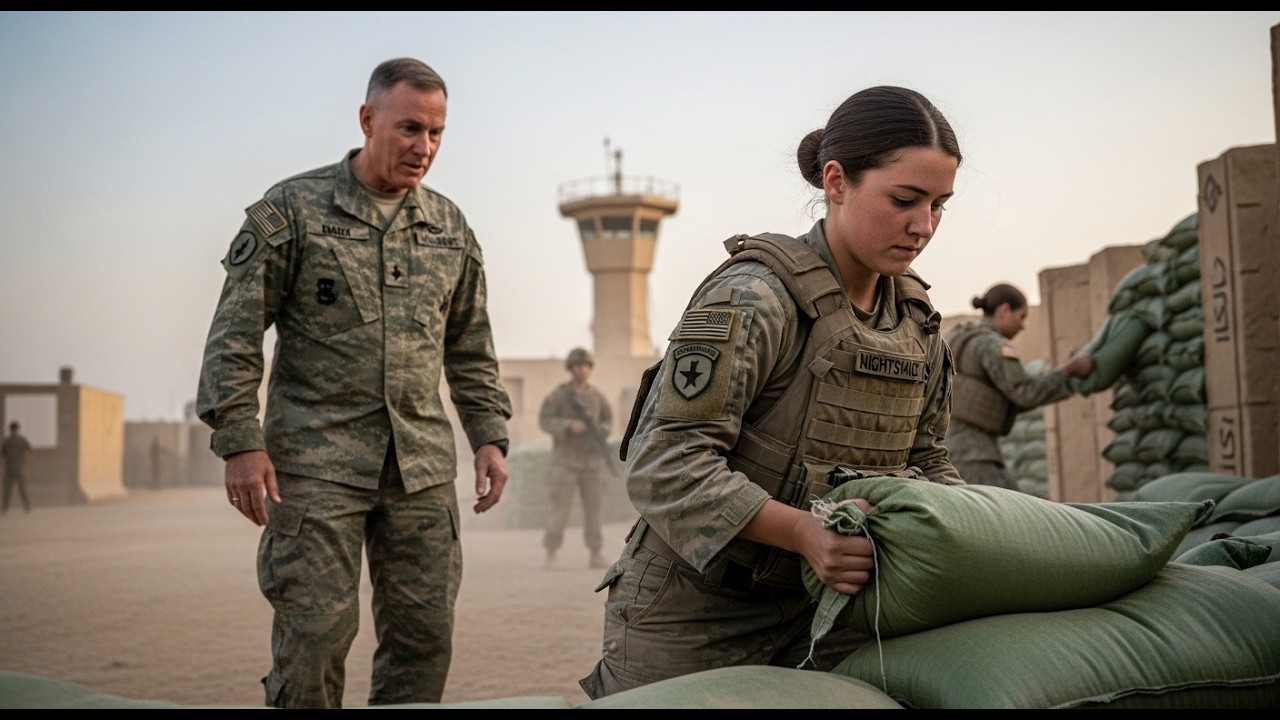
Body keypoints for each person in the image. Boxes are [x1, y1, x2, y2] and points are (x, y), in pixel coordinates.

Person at [579, 85, 967, 698]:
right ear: (835, 181)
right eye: (903, 200)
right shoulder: (750, 298)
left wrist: (981, 527)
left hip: (833, 615)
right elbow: (663, 464)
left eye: (940, 205)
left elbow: (926, 461)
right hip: (699, 610)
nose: (923, 226)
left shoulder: (916, 323)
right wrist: (804, 534)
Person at [195, 57, 513, 709]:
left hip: (419, 469)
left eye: (437, 133)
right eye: (408, 129)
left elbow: (470, 347)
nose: (423, 148)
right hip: (313, 466)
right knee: (313, 639)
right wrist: (239, 440)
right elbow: (235, 332)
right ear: (368, 120)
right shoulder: (293, 210)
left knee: (424, 641)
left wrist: (489, 435)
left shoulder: (450, 228)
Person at [941, 283, 1093, 491]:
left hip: (946, 451)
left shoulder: (957, 337)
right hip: (974, 455)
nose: (1023, 326)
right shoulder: (991, 345)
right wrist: (1068, 371)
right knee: (1014, 515)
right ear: (1004, 310)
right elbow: (1025, 393)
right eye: (1021, 317)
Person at [538, 347, 614, 570]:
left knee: (594, 510)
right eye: (577, 366)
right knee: (559, 509)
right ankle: (551, 553)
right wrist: (568, 426)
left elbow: (609, 421)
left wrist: (601, 430)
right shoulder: (559, 395)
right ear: (570, 368)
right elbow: (545, 420)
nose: (582, 370)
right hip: (566, 461)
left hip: (592, 462)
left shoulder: (597, 397)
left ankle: (595, 553)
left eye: (585, 366)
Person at [2, 421, 32, 514]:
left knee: (21, 488)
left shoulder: (20, 440)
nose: (14, 431)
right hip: (11, 467)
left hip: (17, 466)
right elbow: (3, 454)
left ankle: (27, 506)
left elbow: (28, 451)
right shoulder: (9, 441)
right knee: (7, 489)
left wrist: (26, 464)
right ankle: (5, 507)